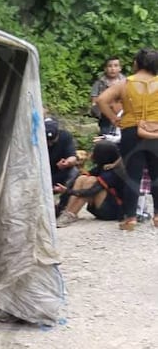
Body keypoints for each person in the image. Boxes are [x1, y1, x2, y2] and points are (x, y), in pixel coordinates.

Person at [96, 47, 158, 230]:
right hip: (155, 130)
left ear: (137, 63)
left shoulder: (125, 83)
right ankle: (157, 216)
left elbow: (101, 100)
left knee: (133, 174)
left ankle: (130, 217)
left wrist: (115, 119)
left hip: (132, 130)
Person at [55, 141, 127, 227]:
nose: (92, 154)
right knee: (82, 178)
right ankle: (67, 212)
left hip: (112, 211)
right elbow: (77, 180)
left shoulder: (114, 171)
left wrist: (67, 191)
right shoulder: (102, 166)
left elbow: (91, 192)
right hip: (97, 208)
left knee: (92, 180)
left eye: (94, 151)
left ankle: (71, 214)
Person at [45, 117, 78, 216]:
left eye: (52, 141)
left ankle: (63, 206)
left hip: (59, 172)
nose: (50, 144)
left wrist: (67, 163)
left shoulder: (65, 137)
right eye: (47, 141)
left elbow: (73, 157)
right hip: (42, 173)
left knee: (74, 172)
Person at [89, 56, 125, 136]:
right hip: (104, 115)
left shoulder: (125, 82)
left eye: (116, 66)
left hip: (122, 114)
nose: (113, 69)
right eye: (110, 66)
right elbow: (94, 101)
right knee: (105, 134)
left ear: (120, 68)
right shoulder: (99, 83)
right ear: (105, 68)